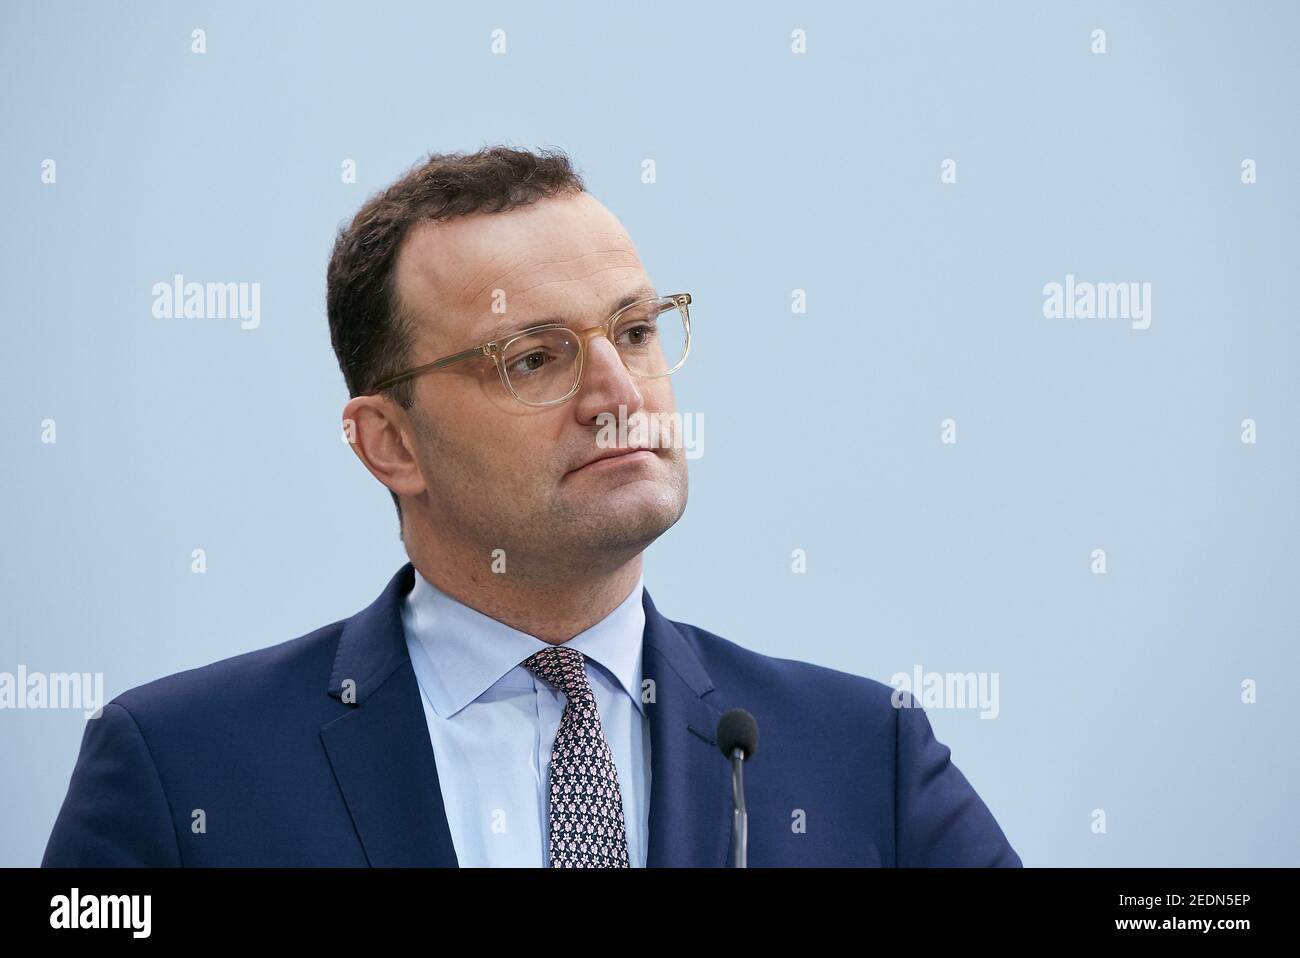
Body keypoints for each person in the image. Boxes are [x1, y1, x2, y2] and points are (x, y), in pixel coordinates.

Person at [42, 146, 1021, 867]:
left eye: (635, 331)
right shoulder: (183, 771)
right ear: (391, 440)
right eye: (534, 358)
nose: (618, 395)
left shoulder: (858, 754)